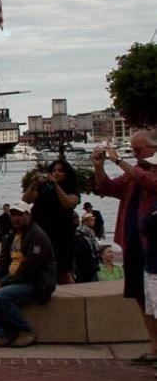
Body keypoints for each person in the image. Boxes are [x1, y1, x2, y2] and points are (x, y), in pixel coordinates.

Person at [94, 134, 157, 366]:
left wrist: (118, 159)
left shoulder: (146, 173)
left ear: (153, 148)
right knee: (142, 298)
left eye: (138, 150)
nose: (135, 154)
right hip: (132, 245)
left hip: (151, 245)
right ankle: (154, 346)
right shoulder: (132, 174)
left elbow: (149, 182)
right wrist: (98, 166)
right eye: (132, 150)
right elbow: (107, 188)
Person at [0, 201, 57, 348]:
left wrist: (3, 283)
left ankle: (26, 331)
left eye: (19, 214)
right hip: (15, 279)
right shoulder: (12, 235)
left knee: (1, 295)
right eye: (13, 215)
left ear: (28, 215)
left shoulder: (37, 236)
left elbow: (30, 270)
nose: (15, 218)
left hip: (37, 282)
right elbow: (4, 262)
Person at [24, 159, 81, 284]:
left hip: (61, 234)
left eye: (60, 171)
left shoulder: (71, 189)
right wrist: (33, 185)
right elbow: (27, 200)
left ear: (67, 173)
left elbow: (69, 203)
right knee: (37, 266)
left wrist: (56, 186)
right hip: (41, 232)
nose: (56, 173)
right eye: (54, 170)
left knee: (63, 270)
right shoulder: (43, 187)